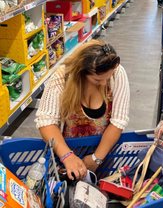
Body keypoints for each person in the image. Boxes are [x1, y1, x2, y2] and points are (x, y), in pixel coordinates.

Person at [35, 40, 130, 180]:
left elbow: (118, 120)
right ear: (81, 73)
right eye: (97, 80)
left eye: (107, 78)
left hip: (103, 152)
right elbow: (46, 121)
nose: (104, 83)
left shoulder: (116, 73)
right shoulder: (62, 77)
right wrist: (67, 156)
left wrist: (96, 158)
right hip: (65, 154)